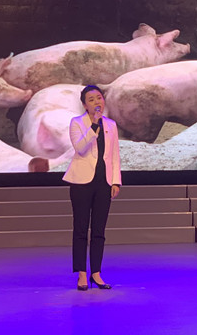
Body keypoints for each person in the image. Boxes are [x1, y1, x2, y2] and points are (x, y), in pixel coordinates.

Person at [63, 85, 122, 290]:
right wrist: (94, 125)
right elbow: (80, 148)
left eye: (99, 98)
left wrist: (115, 181)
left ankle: (96, 273)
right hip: (81, 183)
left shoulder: (111, 125)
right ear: (84, 105)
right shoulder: (77, 123)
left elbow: (114, 156)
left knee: (99, 230)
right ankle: (81, 273)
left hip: (103, 183)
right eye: (91, 99)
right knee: (81, 229)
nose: (97, 102)